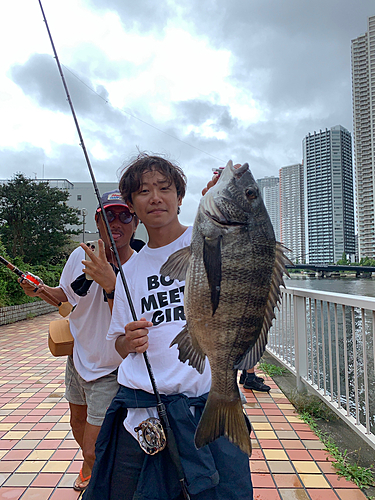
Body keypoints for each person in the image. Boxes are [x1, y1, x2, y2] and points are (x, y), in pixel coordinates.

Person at [83, 154, 253, 500]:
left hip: (208, 407)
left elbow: (249, 247)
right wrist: (127, 342)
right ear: (131, 204)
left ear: (180, 196)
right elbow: (116, 342)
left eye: (165, 188)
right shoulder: (129, 271)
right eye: (144, 191)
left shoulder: (209, 241)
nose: (156, 197)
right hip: (142, 415)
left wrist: (226, 199)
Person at [19, 190, 140, 492]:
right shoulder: (79, 256)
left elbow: (131, 326)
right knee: (77, 423)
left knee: (92, 449)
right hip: (79, 359)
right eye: (109, 215)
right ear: (98, 220)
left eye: (124, 215)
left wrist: (111, 281)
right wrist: (39, 288)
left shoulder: (140, 268)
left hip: (111, 369)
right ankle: (91, 468)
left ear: (135, 223)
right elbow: (66, 298)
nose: (116, 222)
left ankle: (97, 478)